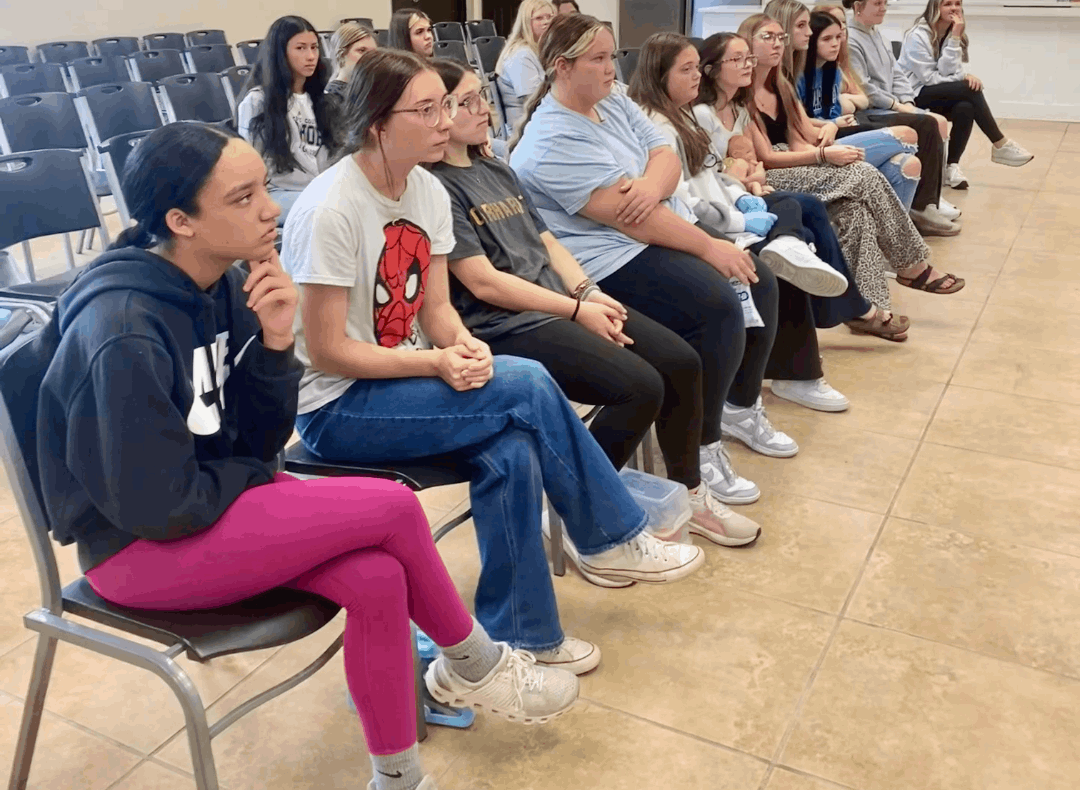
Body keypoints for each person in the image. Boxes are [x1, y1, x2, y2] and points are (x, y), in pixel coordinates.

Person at [34, 122, 579, 790]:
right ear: (182, 221)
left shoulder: (227, 287)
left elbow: (261, 443)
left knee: (378, 578)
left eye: (264, 186)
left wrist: (273, 343)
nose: (271, 208)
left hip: (205, 507)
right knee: (391, 506)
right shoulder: (121, 333)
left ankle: (399, 778)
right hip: (138, 551)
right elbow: (158, 503)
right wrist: (255, 476)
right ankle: (477, 663)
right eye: (242, 198)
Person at [281, 47, 704, 664]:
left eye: (443, 107)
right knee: (528, 382)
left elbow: (436, 312)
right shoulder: (331, 209)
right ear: (378, 124)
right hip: (338, 407)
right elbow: (327, 351)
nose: (444, 123)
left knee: (509, 450)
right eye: (425, 110)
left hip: (401, 382)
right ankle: (611, 534)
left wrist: (461, 345)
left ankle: (523, 634)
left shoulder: (424, 190)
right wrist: (435, 363)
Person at [426, 57, 762, 550]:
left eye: (481, 96)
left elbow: (549, 245)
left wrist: (588, 292)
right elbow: (485, 284)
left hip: (561, 303)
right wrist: (576, 310)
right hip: (508, 324)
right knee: (640, 386)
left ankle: (686, 495)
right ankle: (579, 506)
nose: (483, 108)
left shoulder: (494, 167)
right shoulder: (437, 186)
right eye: (467, 101)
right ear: (441, 112)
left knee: (680, 362)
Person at [509, 13, 802, 464]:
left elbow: (665, 154)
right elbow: (629, 220)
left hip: (651, 225)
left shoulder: (614, 97)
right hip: (605, 257)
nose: (612, 68)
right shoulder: (551, 139)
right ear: (563, 67)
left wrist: (648, 186)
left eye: (611, 57)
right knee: (719, 303)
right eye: (599, 59)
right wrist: (707, 245)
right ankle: (702, 445)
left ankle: (739, 409)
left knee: (758, 279)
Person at [629, 32, 852, 413]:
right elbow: (684, 200)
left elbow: (716, 174)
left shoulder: (682, 114)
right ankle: (775, 384)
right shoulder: (658, 126)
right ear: (658, 75)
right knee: (772, 268)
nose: (697, 77)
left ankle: (796, 370)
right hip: (698, 225)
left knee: (789, 214)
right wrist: (737, 219)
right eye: (686, 70)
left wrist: (743, 198)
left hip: (723, 211)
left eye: (697, 68)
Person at [739, 13, 966, 315]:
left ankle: (869, 309)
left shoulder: (780, 85)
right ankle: (911, 264)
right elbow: (767, 158)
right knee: (865, 173)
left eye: (781, 38)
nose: (777, 44)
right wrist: (823, 156)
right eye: (767, 37)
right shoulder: (742, 94)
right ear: (747, 43)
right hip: (771, 174)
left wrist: (828, 131)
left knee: (855, 210)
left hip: (795, 160)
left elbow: (799, 138)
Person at [693, 30, 889, 340]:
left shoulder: (739, 108)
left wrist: (753, 176)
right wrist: (751, 179)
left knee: (852, 203)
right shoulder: (701, 115)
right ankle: (854, 302)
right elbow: (713, 172)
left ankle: (847, 305)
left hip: (746, 191)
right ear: (711, 69)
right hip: (728, 200)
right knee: (832, 191)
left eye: (748, 59)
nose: (747, 65)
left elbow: (752, 160)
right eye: (737, 59)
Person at [814, 0, 959, 235]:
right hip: (851, 121)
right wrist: (843, 110)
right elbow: (863, 98)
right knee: (916, 130)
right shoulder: (816, 67)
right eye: (830, 33)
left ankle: (922, 206)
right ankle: (922, 204)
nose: (840, 33)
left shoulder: (839, 62)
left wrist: (905, 103)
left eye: (842, 26)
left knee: (936, 127)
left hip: (857, 116)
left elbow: (862, 94)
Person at [898, 0, 1033, 185]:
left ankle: (951, 167)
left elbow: (946, 71)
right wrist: (963, 77)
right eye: (948, 4)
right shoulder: (916, 35)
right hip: (913, 95)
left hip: (935, 92)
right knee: (969, 88)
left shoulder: (954, 33)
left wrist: (955, 37)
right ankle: (1000, 143)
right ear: (935, 7)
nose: (954, 8)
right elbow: (928, 78)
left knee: (966, 107)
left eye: (957, 4)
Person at [799, 12, 923, 211]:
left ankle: (893, 235)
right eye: (827, 39)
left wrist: (840, 115)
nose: (835, 44)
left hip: (840, 130)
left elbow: (859, 100)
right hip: (818, 143)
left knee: (909, 164)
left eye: (838, 37)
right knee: (908, 134)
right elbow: (796, 121)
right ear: (811, 41)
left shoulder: (833, 71)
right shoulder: (798, 75)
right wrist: (834, 123)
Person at [237, 14, 340, 221]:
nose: (311, 56)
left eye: (314, 47)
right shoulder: (257, 102)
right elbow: (250, 167)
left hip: (319, 189)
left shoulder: (321, 99)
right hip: (275, 194)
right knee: (327, 211)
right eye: (301, 48)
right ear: (280, 54)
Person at [493, 0, 556, 134]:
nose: (547, 22)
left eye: (550, 17)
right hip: (526, 129)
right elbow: (533, 100)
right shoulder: (521, 54)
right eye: (539, 18)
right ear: (526, 22)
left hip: (542, 120)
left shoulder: (541, 49)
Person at [327, 22, 379, 97]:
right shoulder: (331, 96)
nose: (370, 57)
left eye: (373, 52)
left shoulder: (372, 91)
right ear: (341, 53)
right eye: (362, 50)